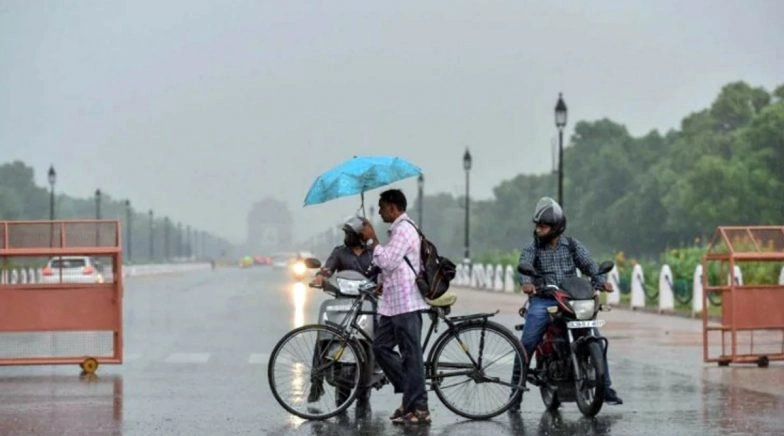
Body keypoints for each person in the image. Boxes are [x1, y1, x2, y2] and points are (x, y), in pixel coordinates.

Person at [509, 197, 623, 412]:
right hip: (544, 300)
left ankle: (605, 388)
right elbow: (524, 265)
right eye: (537, 225)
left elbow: (590, 266)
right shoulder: (533, 248)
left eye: (543, 226)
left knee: (595, 339)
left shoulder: (571, 245)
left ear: (556, 228)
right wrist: (527, 283)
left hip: (572, 299)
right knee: (527, 344)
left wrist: (600, 281)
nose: (538, 229)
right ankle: (515, 393)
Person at [360, 189, 431, 425]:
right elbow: (393, 265)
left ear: (392, 207)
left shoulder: (404, 230)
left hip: (406, 303)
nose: (379, 211)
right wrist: (380, 282)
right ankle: (410, 395)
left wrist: (372, 240)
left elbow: (388, 261)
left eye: (381, 207)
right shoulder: (397, 231)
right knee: (380, 348)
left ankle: (419, 408)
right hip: (392, 304)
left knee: (412, 356)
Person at [307, 216, 379, 405]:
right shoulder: (339, 253)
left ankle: (377, 370)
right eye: (346, 233)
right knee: (324, 336)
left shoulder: (374, 254)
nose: (347, 237)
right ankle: (317, 379)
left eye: (350, 233)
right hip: (342, 305)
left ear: (361, 235)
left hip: (367, 305)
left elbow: (384, 271)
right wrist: (321, 277)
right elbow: (327, 269)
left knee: (377, 340)